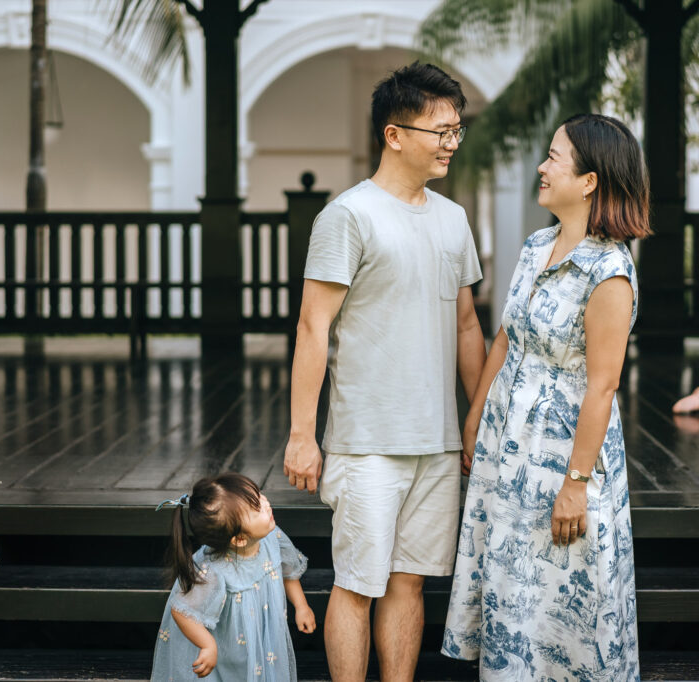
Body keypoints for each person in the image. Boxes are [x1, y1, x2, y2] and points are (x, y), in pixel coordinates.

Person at [282, 62, 486, 682]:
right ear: (394, 135)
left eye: (456, 130)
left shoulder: (452, 218)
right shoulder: (348, 216)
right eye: (440, 131)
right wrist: (302, 434)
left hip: (437, 440)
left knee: (409, 583)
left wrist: (479, 418)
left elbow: (467, 326)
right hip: (366, 440)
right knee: (357, 583)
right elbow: (312, 327)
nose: (451, 143)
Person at [442, 114, 650, 681]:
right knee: (514, 586)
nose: (541, 166)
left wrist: (575, 485)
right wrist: (475, 415)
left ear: (589, 181)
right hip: (508, 446)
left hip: (563, 457)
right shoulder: (537, 245)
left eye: (554, 157)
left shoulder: (609, 271)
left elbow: (603, 385)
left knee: (561, 592)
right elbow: (506, 337)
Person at [149, 473, 315, 682]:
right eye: (256, 508)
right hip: (228, 649)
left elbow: (288, 571)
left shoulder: (272, 537)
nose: (266, 504)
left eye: (259, 496)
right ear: (239, 539)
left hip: (261, 640)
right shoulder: (214, 571)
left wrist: (301, 606)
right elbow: (182, 611)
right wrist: (207, 645)